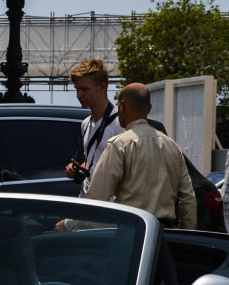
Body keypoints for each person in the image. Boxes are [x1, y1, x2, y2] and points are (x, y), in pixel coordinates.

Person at [76, 83, 196, 229]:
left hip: (132, 231)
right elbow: (188, 199)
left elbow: (97, 197)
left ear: (122, 106)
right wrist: (186, 234)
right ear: (150, 108)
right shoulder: (171, 146)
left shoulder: (119, 145)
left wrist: (70, 224)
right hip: (166, 233)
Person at [63, 58, 122, 197]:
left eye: (84, 89)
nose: (79, 95)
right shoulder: (86, 123)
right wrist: (77, 169)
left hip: (108, 207)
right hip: (87, 202)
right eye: (77, 89)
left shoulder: (119, 123)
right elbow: (93, 161)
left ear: (102, 87)